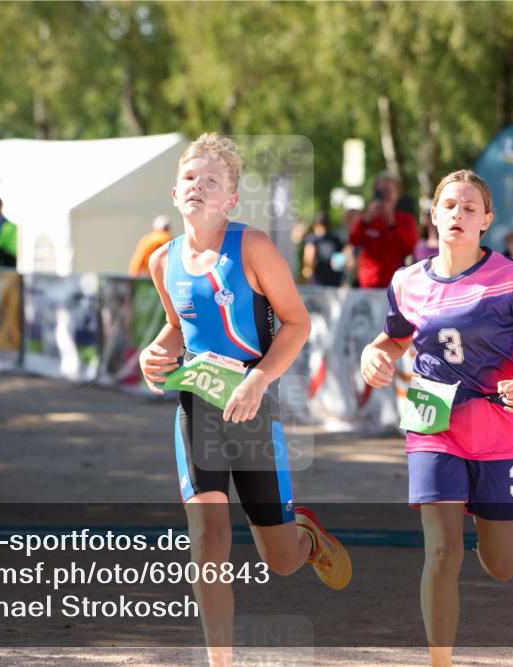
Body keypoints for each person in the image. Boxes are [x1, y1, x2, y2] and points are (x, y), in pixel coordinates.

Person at [139, 133, 351, 667]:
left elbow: (298, 323)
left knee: (278, 561)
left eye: (212, 181)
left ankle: (303, 535)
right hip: (196, 412)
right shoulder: (163, 261)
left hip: (254, 411)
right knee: (208, 542)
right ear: (173, 191)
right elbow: (176, 328)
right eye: (190, 178)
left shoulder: (252, 246)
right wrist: (154, 353)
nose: (198, 187)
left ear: (230, 199)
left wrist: (259, 380)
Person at [359, 169, 513, 667]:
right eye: (449, 205)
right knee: (441, 553)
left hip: (499, 431)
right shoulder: (407, 281)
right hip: (434, 426)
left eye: (470, 207)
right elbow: (394, 337)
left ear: (487, 221)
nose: (458, 213)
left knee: (502, 565)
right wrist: (375, 352)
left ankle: (483, 521)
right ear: (433, 214)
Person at [345, 173, 418, 288]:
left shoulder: (406, 220)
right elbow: (354, 241)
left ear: (397, 195)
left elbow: (410, 248)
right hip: (368, 285)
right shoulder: (368, 218)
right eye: (381, 191)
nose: (384, 196)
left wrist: (392, 224)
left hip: (394, 285)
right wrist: (366, 221)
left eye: (388, 191)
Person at [301, 212, 345, 286]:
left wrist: (306, 275)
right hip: (332, 280)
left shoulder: (312, 239)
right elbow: (339, 264)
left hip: (318, 280)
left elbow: (308, 260)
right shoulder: (335, 239)